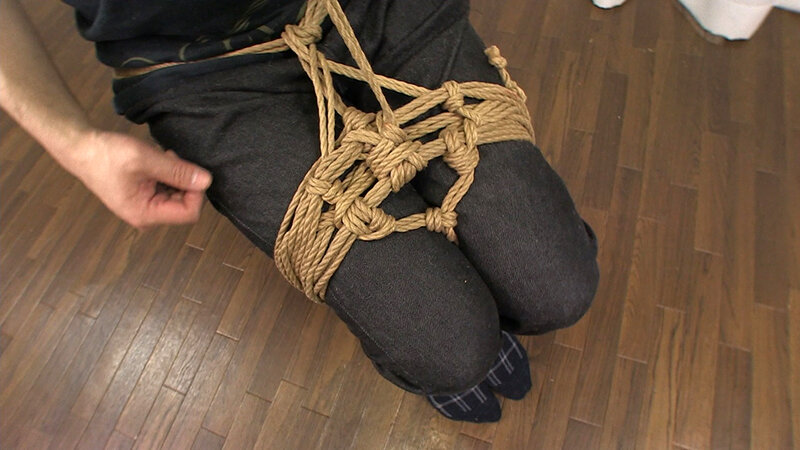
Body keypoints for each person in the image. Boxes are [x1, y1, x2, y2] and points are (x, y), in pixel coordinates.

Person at [0, 0, 599, 423]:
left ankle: (483, 288)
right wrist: (73, 144)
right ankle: (455, 334)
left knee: (555, 288)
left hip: (380, 9)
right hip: (199, 72)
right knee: (449, 347)